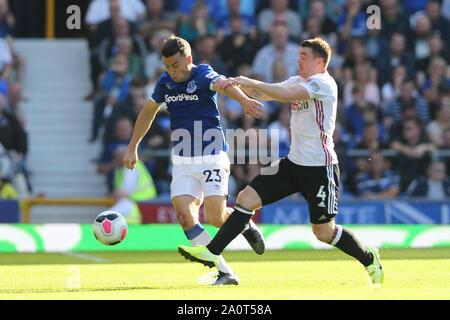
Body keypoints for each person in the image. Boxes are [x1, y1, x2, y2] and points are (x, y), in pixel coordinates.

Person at [178, 37, 384, 287]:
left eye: (304, 57)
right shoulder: (298, 80)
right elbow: (267, 91)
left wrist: (248, 81)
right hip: (292, 164)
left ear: (320, 62)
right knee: (246, 198)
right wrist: (236, 87)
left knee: (324, 233)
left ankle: (368, 257)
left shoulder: (324, 84)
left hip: (321, 169)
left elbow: (285, 94)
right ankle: (212, 250)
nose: (298, 60)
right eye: (298, 55)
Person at [122, 35, 265, 286]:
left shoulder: (203, 74)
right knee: (185, 216)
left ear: (188, 59)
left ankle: (245, 223)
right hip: (182, 160)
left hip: (211, 156)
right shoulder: (165, 83)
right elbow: (147, 113)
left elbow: (225, 85)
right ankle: (225, 272)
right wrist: (132, 146)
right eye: (167, 66)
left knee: (216, 217)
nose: (171, 71)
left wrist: (243, 100)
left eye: (175, 65)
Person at [108, 145, 157, 224]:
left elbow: (123, 192)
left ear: (124, 157)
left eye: (117, 157)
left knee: (107, 216)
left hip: (144, 204)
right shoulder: (119, 169)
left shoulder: (132, 166)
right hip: (135, 204)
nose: (114, 159)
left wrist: (114, 194)